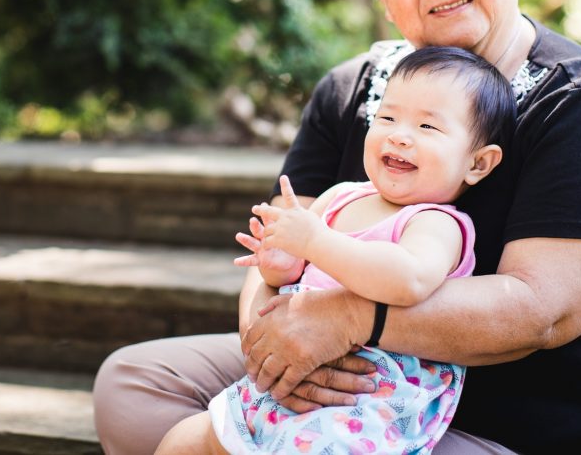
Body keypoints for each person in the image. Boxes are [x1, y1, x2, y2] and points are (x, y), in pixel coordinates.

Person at [93, 0, 581, 454]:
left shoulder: (577, 102)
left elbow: (541, 311)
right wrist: (276, 344)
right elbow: (283, 240)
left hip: (498, 420)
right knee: (133, 384)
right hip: (337, 380)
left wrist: (347, 319)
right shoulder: (351, 89)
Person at [156, 47, 515, 454]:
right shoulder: (340, 197)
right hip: (290, 374)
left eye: (428, 127)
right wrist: (280, 264)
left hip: (363, 399)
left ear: (478, 164)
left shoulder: (436, 224)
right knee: (184, 441)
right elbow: (297, 272)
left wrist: (316, 242)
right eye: (388, 117)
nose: (399, 134)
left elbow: (406, 280)